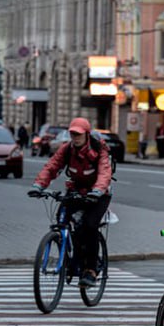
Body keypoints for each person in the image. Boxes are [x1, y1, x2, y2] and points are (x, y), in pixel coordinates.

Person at [27, 117, 113, 286]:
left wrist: (97, 191)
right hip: (75, 192)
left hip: (99, 195)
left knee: (89, 225)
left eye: (78, 134)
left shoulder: (99, 150)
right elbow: (52, 167)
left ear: (87, 134)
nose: (75, 137)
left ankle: (91, 269)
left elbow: (104, 173)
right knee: (61, 220)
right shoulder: (67, 149)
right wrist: (39, 186)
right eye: (72, 133)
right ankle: (69, 260)